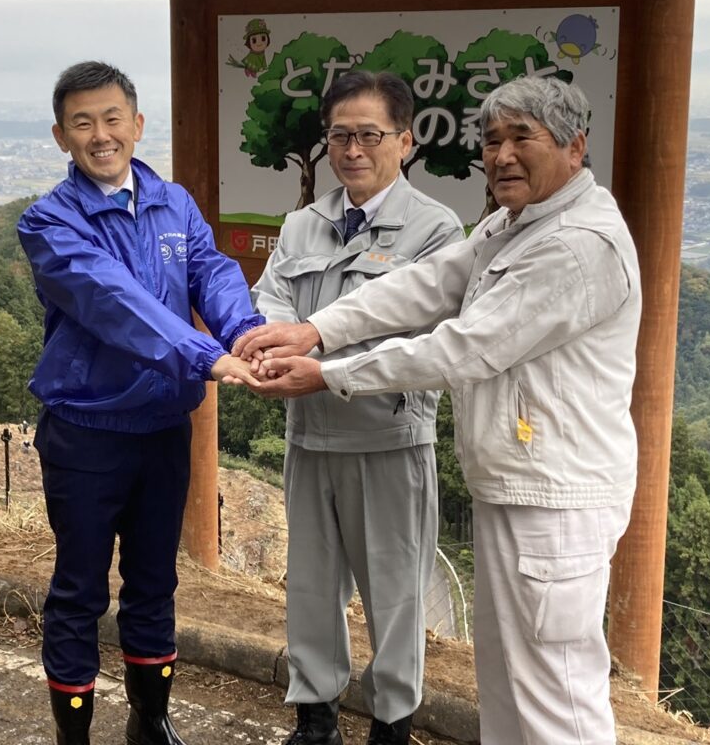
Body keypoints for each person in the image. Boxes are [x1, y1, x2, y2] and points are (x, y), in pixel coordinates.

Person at [233, 76, 642, 745]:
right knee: (511, 683)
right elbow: (424, 287)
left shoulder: (574, 245)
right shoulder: (511, 227)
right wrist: (317, 331)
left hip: (556, 496)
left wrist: (327, 371)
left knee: (556, 693)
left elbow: (463, 348)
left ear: (576, 146)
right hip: (515, 485)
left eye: (522, 138)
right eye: (492, 140)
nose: (503, 155)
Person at [17, 60, 263, 745]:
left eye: (112, 118)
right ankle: (75, 738)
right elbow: (110, 300)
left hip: (162, 430)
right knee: (80, 592)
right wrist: (206, 355)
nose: (101, 135)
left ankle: (150, 724)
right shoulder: (48, 222)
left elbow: (210, 269)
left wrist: (244, 331)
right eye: (83, 123)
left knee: (154, 584)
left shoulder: (172, 202)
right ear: (62, 137)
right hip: (86, 436)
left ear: (137, 123)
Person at [249, 70, 462, 745]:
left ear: (405, 140)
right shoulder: (302, 224)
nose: (353, 149)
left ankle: (392, 723)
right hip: (309, 437)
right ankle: (316, 718)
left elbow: (420, 332)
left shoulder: (435, 230)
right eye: (340, 134)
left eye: (369, 134)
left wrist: (323, 368)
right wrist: (275, 356)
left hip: (388, 440)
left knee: (396, 597)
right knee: (311, 588)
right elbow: (270, 301)